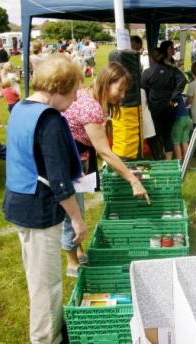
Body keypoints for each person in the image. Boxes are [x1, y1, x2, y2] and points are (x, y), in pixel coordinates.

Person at [2, 55, 87, 344]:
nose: (76, 99)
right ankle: (45, 339)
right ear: (58, 87)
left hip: (19, 203)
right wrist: (77, 219)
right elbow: (59, 181)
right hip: (38, 211)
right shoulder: (49, 120)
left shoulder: (20, 108)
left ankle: (51, 332)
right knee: (46, 285)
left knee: (38, 278)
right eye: (74, 91)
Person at [62, 62, 150, 276]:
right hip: (64, 160)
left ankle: (79, 249)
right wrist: (133, 180)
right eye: (119, 89)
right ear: (106, 82)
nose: (121, 96)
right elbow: (105, 152)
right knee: (72, 211)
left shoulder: (89, 95)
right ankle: (71, 261)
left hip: (78, 157)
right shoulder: (91, 108)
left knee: (78, 205)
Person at [141, 48, 187, 160]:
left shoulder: (147, 72)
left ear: (151, 58)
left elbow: (143, 89)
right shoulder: (172, 70)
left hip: (155, 107)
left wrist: (149, 97)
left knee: (156, 133)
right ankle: (168, 159)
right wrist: (174, 97)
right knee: (167, 133)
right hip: (169, 106)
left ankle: (159, 157)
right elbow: (183, 80)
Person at [171, 95, 192, 162]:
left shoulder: (172, 95)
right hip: (187, 118)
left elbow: (173, 105)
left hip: (179, 119)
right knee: (184, 141)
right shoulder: (179, 94)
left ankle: (179, 161)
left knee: (176, 142)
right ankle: (186, 161)